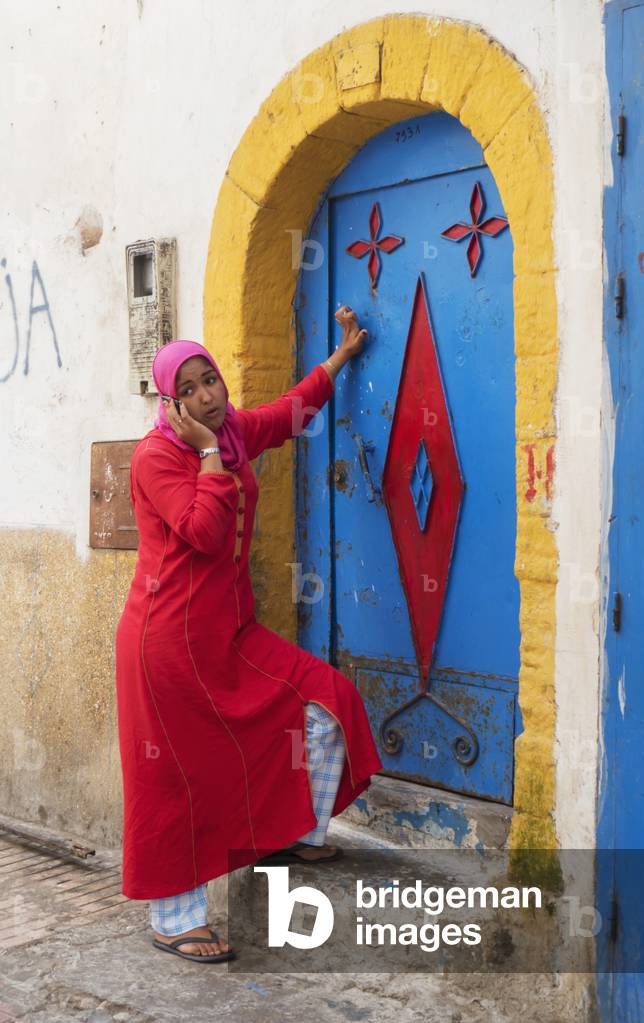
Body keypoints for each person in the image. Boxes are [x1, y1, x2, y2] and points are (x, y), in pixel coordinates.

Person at [114, 306, 384, 962]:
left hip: (229, 632)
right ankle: (174, 916)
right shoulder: (158, 457)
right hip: (166, 644)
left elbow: (288, 413)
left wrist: (340, 358)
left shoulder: (230, 431)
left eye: (210, 380)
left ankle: (293, 828)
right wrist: (206, 456)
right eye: (190, 390)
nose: (208, 396)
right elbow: (204, 532)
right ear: (170, 403)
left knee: (326, 702)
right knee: (177, 777)